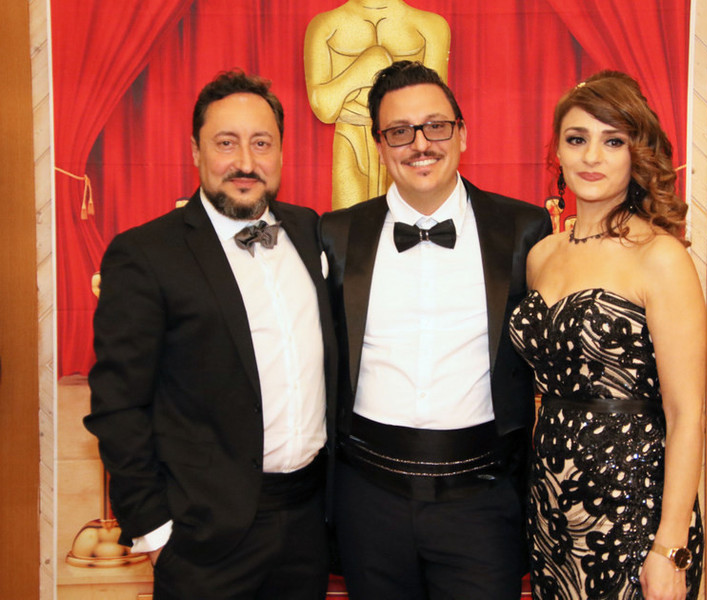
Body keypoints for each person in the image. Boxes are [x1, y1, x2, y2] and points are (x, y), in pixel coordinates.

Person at [84, 70, 337, 600]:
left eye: (261, 143)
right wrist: (157, 533)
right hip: (203, 539)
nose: (245, 161)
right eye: (226, 143)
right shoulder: (146, 254)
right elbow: (118, 407)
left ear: (281, 152)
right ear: (195, 151)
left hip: (308, 525)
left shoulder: (310, 230)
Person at [320, 60, 552, 600]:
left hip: (482, 503)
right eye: (400, 131)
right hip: (367, 501)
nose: (420, 144)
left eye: (436, 126)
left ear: (462, 133)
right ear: (379, 145)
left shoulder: (524, 229)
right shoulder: (336, 233)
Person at [509, 70, 704, 599]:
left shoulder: (660, 256)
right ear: (557, 152)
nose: (592, 156)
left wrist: (670, 547)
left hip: (633, 506)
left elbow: (686, 414)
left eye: (612, 141)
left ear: (636, 153)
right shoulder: (542, 255)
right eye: (577, 139)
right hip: (551, 502)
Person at [304, 0, 450, 209]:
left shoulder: (430, 26)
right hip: (350, 135)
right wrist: (361, 70)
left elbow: (434, 104)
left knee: (411, 214)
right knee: (349, 221)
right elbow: (323, 107)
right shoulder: (326, 26)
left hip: (408, 137)